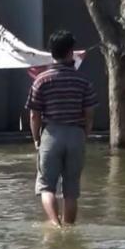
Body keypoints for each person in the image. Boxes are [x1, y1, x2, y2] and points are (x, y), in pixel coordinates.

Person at [25, 30, 97, 227]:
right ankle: (69, 227)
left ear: (52, 52)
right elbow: (89, 114)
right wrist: (84, 134)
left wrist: (36, 139)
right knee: (71, 190)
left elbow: (34, 115)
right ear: (70, 52)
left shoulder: (41, 80)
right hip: (76, 134)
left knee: (47, 187)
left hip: (51, 134)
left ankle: (55, 225)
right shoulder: (83, 82)